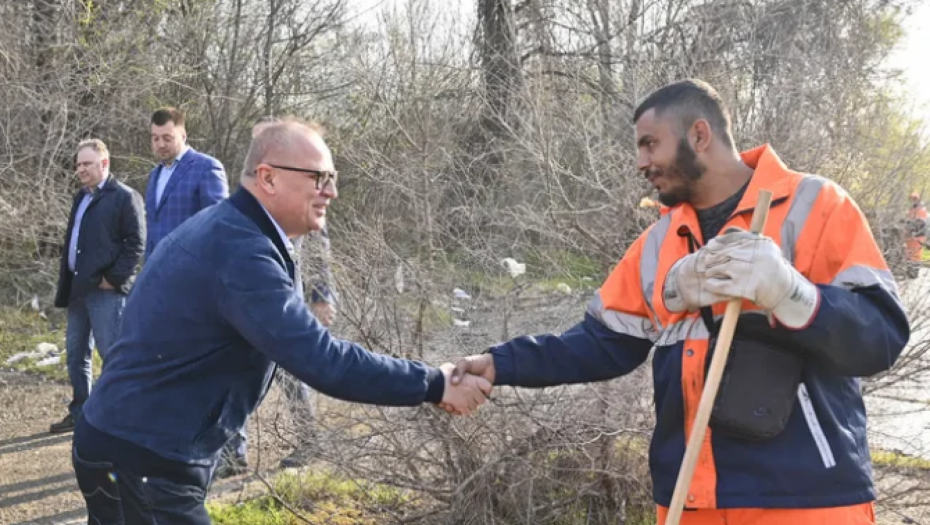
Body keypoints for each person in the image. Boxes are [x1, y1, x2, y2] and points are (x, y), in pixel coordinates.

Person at [445, 79, 909, 525]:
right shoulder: (658, 243)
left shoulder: (816, 206)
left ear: (699, 135)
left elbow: (881, 337)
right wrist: (500, 363)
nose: (640, 162)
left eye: (650, 144)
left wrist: (791, 294)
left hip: (805, 501)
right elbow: (599, 344)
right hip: (689, 500)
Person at [71, 118, 491, 524]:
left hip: (129, 445)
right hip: (143, 459)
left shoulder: (236, 230)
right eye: (319, 178)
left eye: (332, 178)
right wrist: (434, 383)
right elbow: (323, 361)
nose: (332, 191)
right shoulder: (241, 251)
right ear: (268, 178)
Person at [215, 118, 342, 477]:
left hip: (286, 296)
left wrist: (321, 295)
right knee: (237, 368)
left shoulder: (297, 192)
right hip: (249, 296)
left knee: (291, 372)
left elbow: (318, 246)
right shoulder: (250, 189)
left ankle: (309, 439)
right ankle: (233, 452)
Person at [49, 139, 145, 434]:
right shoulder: (81, 196)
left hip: (106, 292)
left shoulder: (125, 197)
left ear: (104, 163)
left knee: (113, 355)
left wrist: (112, 279)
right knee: (76, 354)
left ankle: (123, 417)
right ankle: (82, 413)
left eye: (87, 164)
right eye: (78, 164)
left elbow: (136, 243)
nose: (80, 169)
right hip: (78, 290)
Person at [144, 107, 228, 260]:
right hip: (155, 268)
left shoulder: (206, 167)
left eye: (167, 138)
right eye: (155, 139)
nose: (160, 145)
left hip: (191, 267)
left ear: (183, 135)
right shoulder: (155, 174)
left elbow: (218, 225)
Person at [905, 191, 927, 263]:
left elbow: (920, 223)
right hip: (910, 235)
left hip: (918, 235)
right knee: (909, 253)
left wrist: (911, 229)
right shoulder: (911, 209)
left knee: (916, 254)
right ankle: (910, 265)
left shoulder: (921, 209)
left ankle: (915, 266)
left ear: (918, 199)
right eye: (911, 199)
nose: (912, 200)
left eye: (914, 199)